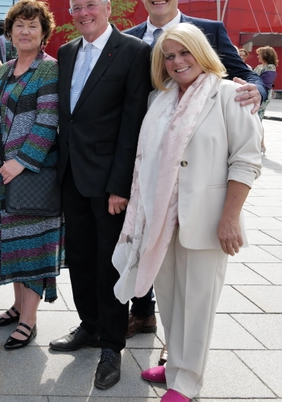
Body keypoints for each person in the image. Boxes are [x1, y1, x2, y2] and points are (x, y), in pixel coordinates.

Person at [112, 23, 262, 402]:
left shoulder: (230, 95)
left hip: (208, 218)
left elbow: (246, 161)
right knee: (170, 297)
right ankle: (176, 362)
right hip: (162, 216)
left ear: (202, 52)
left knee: (197, 302)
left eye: (184, 52)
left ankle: (187, 381)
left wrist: (229, 218)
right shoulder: (159, 100)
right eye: (169, 55)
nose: (178, 61)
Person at [123, 0, 263, 340]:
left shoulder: (209, 31)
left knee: (188, 268)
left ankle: (180, 354)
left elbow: (245, 74)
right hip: (146, 161)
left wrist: (258, 90)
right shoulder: (130, 38)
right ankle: (144, 314)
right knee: (152, 251)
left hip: (194, 167)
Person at [49, 0, 152, 390]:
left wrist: (120, 186)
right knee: (80, 256)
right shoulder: (67, 51)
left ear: (108, 8)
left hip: (110, 184)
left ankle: (112, 344)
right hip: (71, 176)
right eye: (76, 8)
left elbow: (133, 124)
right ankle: (88, 326)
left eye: (91, 5)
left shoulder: (134, 52)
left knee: (110, 263)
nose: (84, 13)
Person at [0, 0, 63, 350]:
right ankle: (17, 308)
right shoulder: (4, 69)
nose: (25, 31)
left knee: (32, 245)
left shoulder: (49, 69)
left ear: (44, 32)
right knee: (11, 245)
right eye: (20, 25)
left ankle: (29, 321)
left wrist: (23, 160)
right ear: (10, 32)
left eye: (33, 25)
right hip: (2, 173)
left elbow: (49, 119)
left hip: (32, 174)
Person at [253, 46, 278, 155]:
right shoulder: (259, 66)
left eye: (260, 54)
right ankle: (259, 144)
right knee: (256, 119)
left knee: (257, 119)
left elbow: (266, 82)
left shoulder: (270, 67)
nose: (258, 56)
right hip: (256, 93)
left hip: (263, 95)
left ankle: (261, 144)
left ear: (266, 55)